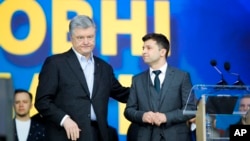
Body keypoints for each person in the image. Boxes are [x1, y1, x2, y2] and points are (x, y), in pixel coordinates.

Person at [35, 15, 130, 141]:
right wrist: (65, 120)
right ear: (71, 38)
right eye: (80, 37)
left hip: (98, 135)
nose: (86, 42)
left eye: (90, 37)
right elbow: (42, 101)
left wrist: (152, 88)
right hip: (65, 135)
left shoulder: (104, 68)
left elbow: (123, 94)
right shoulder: (55, 63)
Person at [124, 33, 196, 141]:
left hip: (175, 137)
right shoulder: (137, 80)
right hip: (146, 137)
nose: (144, 52)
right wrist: (142, 116)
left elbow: (190, 109)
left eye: (149, 48)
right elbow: (129, 110)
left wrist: (166, 117)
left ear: (163, 52)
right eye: (143, 48)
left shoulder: (182, 76)